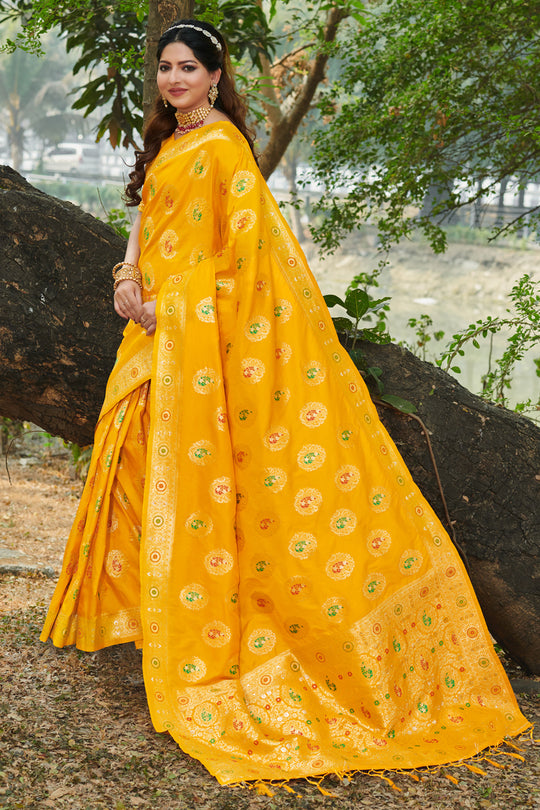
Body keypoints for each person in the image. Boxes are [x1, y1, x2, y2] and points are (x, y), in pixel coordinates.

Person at [41, 18, 529, 787]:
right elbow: (144, 220)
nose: (173, 80)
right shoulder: (170, 140)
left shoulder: (226, 149)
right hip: (150, 334)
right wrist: (125, 277)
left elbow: (248, 263)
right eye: (165, 68)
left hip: (195, 343)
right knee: (133, 461)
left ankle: (208, 640)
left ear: (214, 75)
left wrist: (176, 307)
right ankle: (154, 623)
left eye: (187, 69)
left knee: (203, 487)